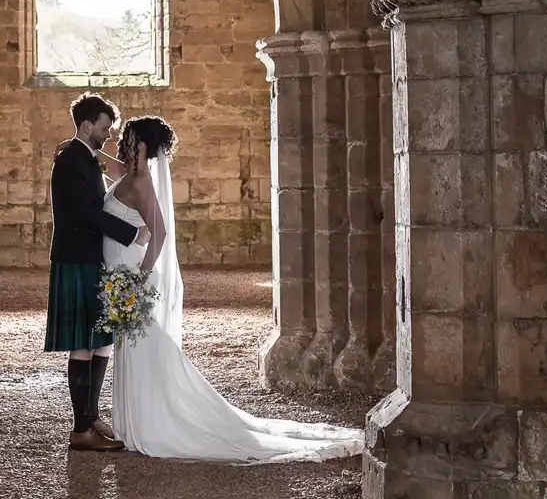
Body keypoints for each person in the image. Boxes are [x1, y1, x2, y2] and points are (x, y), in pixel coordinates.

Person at [103, 115, 363, 464]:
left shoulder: (142, 182)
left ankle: (151, 420)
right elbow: (117, 174)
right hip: (120, 278)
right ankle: (135, 420)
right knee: (134, 347)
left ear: (143, 145)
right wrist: (90, 156)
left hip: (130, 280)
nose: (123, 141)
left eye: (129, 138)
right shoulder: (131, 177)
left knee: (142, 347)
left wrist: (138, 278)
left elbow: (159, 234)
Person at [44, 93, 150, 452]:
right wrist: (133, 233)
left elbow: (109, 169)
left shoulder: (81, 156)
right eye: (104, 129)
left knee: (101, 339)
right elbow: (88, 213)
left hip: (92, 259)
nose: (109, 135)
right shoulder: (70, 160)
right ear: (88, 125)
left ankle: (91, 416)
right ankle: (80, 430)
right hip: (76, 259)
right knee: (82, 343)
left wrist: (91, 149)